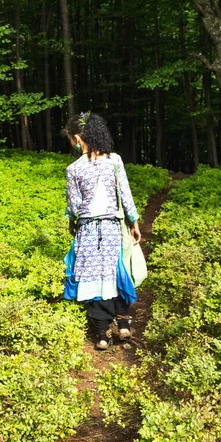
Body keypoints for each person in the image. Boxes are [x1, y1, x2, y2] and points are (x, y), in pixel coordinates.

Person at [63, 112, 142, 350]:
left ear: (78, 138)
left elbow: (73, 205)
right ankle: (123, 323)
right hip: (111, 229)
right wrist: (134, 221)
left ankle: (101, 334)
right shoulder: (115, 161)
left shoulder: (73, 169)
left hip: (87, 231)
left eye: (70, 139)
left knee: (93, 279)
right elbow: (125, 195)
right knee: (115, 272)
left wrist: (70, 222)